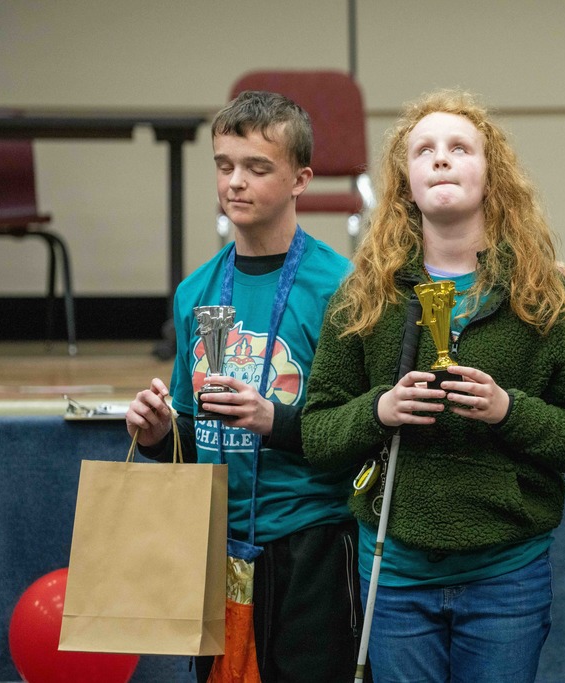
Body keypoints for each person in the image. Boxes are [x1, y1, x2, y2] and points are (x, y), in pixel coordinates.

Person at [300, 89, 565, 683]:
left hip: (507, 579)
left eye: (459, 148)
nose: (441, 159)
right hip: (394, 576)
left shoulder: (544, 298)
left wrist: (508, 411)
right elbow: (318, 432)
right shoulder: (363, 296)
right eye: (424, 150)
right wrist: (381, 409)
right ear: (404, 185)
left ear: (491, 178)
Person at [124, 90, 357, 683]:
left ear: (301, 179)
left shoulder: (340, 289)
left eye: (257, 168)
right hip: (217, 543)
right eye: (225, 166)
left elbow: (361, 430)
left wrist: (271, 420)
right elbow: (188, 427)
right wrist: (156, 434)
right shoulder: (195, 290)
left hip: (311, 539)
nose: (235, 183)